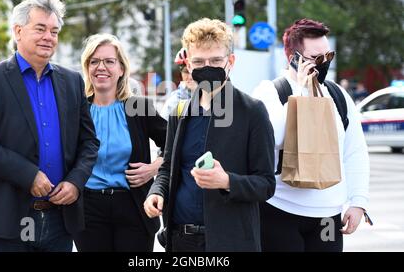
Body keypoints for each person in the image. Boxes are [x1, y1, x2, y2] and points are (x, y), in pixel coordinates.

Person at [0, 0, 100, 252]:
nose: (49, 37)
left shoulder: (72, 82)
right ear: (18, 31)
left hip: (61, 218)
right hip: (9, 217)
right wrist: (28, 175)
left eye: (54, 31)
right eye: (40, 29)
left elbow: (89, 142)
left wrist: (75, 181)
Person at [144, 18, 276, 252]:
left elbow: (266, 184)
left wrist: (226, 181)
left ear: (230, 61)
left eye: (215, 60)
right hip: (181, 240)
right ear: (188, 64)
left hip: (231, 242)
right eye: (199, 61)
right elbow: (167, 167)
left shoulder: (252, 111)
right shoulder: (179, 111)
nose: (207, 67)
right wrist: (156, 192)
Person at [252, 18, 371, 252]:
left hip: (328, 214)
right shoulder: (271, 91)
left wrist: (358, 202)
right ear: (292, 58)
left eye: (328, 56)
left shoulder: (337, 95)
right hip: (280, 209)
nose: (323, 63)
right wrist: (299, 92)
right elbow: (270, 140)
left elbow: (354, 150)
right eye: (315, 58)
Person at [73, 33, 167, 252]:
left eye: (109, 61)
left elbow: (176, 143)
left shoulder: (139, 107)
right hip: (88, 209)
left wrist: (154, 168)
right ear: (87, 68)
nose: (101, 67)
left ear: (122, 69)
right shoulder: (76, 110)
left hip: (133, 206)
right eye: (94, 62)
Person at [160, 48, 197, 120]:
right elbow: (162, 130)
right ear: (181, 74)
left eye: (194, 71)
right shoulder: (173, 102)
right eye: (186, 71)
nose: (190, 76)